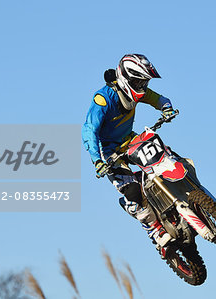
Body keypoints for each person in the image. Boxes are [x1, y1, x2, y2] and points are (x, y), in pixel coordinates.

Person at [82, 54, 177, 255]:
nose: (142, 86)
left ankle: (183, 197)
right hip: (109, 152)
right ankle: (155, 231)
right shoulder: (103, 98)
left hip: (130, 140)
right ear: (126, 78)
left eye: (144, 82)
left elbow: (158, 98)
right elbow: (89, 129)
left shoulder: (139, 92)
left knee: (165, 158)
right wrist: (96, 160)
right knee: (132, 192)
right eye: (138, 82)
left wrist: (166, 108)